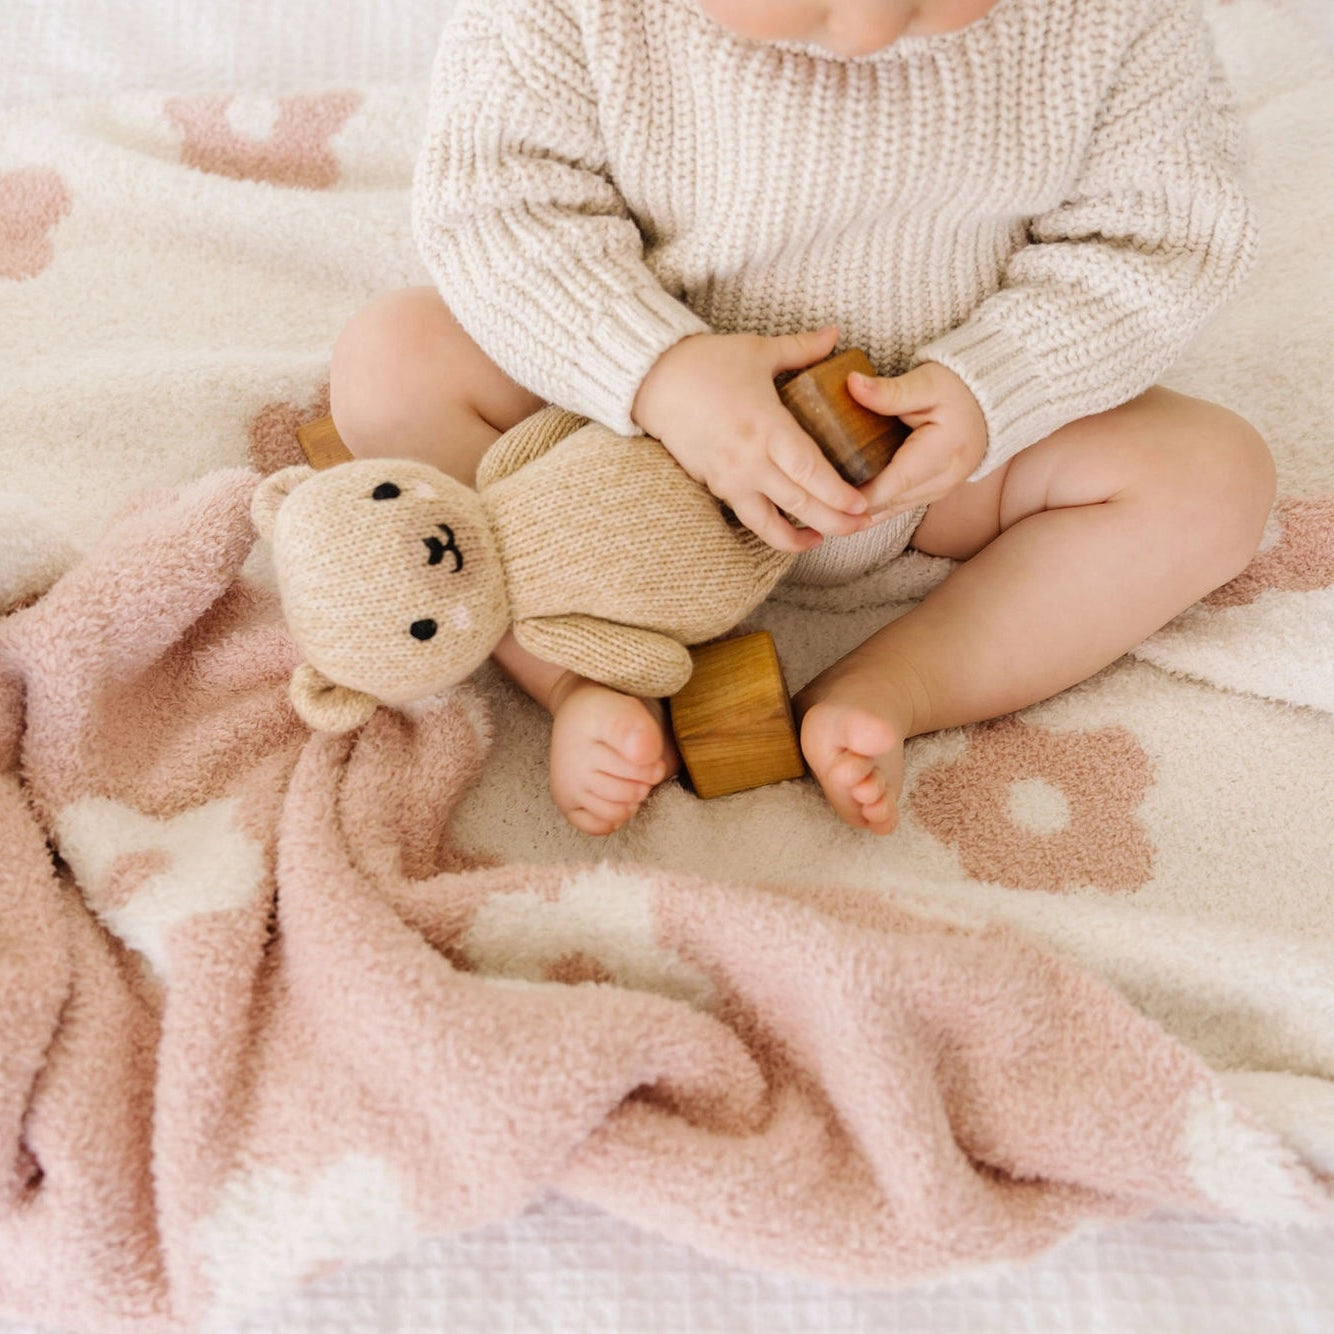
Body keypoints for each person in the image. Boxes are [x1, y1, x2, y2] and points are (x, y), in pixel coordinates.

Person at [328, 0, 1275, 836]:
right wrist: (657, 369)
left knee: (1212, 478)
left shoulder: (1113, 19)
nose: (867, 27)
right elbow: (503, 211)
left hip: (931, 473)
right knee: (392, 358)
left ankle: (899, 684)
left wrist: (996, 385)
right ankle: (578, 671)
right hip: (615, 453)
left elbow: (1157, 241)